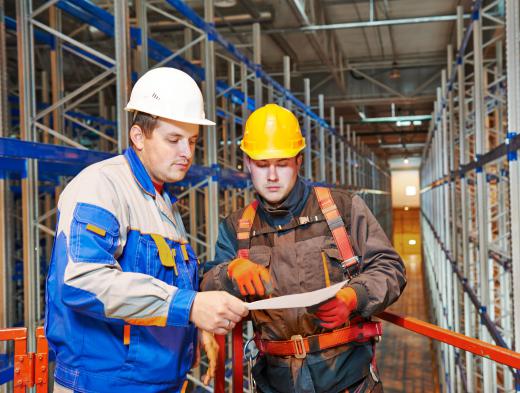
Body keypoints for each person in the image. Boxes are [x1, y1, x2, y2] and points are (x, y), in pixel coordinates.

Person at [45, 67, 248, 393]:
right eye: (174, 139)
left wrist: (194, 332)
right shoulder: (101, 186)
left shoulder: (163, 203)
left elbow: (167, 289)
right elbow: (82, 282)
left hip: (161, 381)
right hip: (104, 385)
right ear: (138, 136)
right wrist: (191, 306)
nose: (187, 153)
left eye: (192, 141)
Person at [201, 104, 407, 393]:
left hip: (346, 380)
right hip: (274, 382)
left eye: (282, 163)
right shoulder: (236, 227)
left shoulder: (342, 209)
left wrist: (353, 297)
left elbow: (389, 267)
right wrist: (229, 272)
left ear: (299, 161)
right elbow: (207, 286)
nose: (272, 176)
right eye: (261, 165)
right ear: (247, 163)